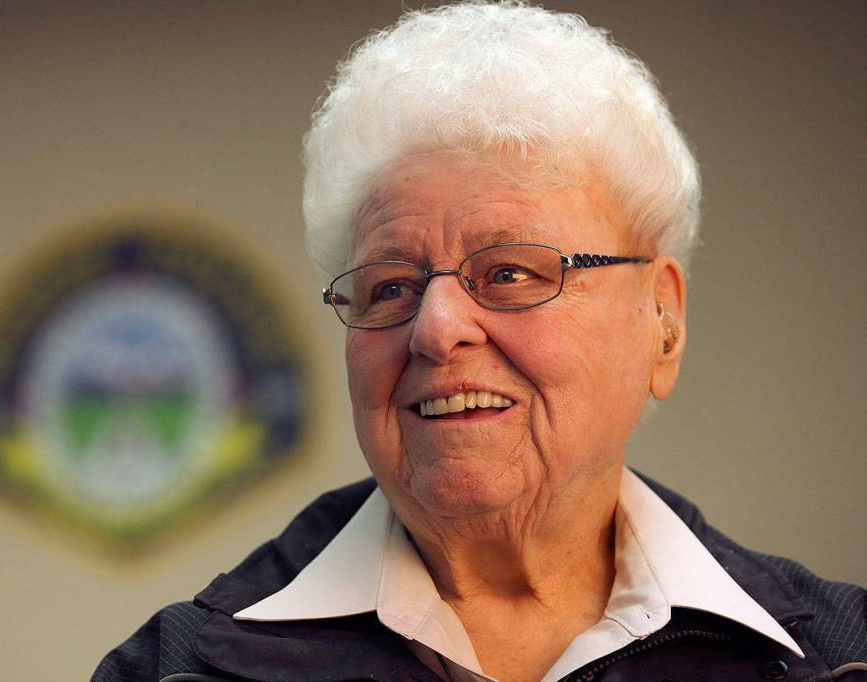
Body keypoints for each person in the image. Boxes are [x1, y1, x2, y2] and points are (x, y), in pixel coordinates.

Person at [93, 3, 866, 680]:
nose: (435, 328)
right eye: (390, 286)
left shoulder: (841, 655)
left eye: (511, 273)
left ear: (662, 321)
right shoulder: (177, 669)